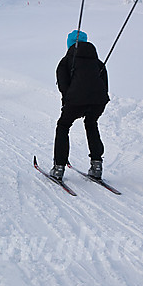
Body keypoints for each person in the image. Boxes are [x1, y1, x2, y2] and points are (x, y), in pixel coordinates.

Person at [50, 30, 109, 181]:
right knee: (91, 123)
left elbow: (63, 84)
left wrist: (68, 99)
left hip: (75, 101)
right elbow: (104, 83)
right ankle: (97, 166)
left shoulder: (66, 61)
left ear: (69, 44)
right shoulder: (97, 62)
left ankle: (58, 168)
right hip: (98, 102)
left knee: (63, 126)